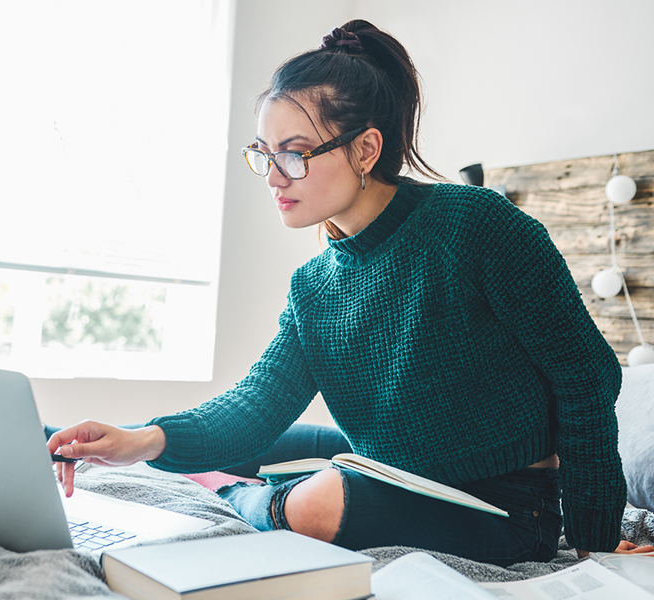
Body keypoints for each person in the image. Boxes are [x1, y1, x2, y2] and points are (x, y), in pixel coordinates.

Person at [48, 20, 653, 566]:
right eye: (265, 153)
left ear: (366, 149)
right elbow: (259, 402)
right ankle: (160, 452)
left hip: (509, 506)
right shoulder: (315, 284)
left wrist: (594, 541)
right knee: (272, 439)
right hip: (391, 467)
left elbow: (588, 378)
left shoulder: (476, 225)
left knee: (320, 500)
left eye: (296, 154)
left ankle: (235, 495)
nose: (275, 177)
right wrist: (140, 439)